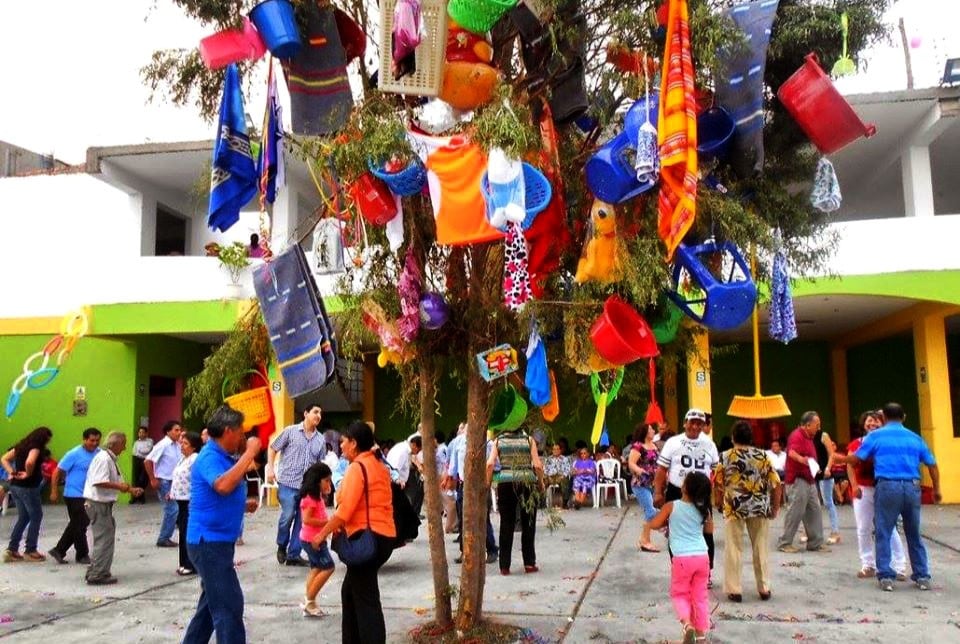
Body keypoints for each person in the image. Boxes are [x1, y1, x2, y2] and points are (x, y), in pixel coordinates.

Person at [310, 421, 396, 644]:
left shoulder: (358, 468)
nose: (340, 446)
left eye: (344, 442)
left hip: (366, 539)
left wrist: (321, 535)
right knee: (350, 592)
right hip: (382, 538)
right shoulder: (378, 466)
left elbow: (344, 512)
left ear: (354, 443)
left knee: (366, 601)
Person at [183, 406, 261, 643]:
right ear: (228, 431)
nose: (242, 438)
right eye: (240, 432)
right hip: (208, 543)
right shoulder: (209, 456)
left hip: (218, 543)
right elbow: (223, 485)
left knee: (209, 607)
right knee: (229, 606)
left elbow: (222, 492)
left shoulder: (224, 457)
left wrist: (241, 504)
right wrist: (250, 453)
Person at [846, 402, 941, 592]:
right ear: (903, 417)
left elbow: (856, 460)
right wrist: (937, 488)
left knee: (883, 531)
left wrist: (836, 456)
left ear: (884, 419)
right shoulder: (915, 438)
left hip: (887, 486)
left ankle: (886, 577)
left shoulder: (876, 437)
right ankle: (922, 576)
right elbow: (932, 465)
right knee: (913, 532)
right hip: (912, 487)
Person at [714, 421, 781, 603]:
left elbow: (717, 482)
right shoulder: (763, 456)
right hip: (759, 506)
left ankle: (734, 589)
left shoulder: (725, 456)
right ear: (751, 437)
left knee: (733, 547)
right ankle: (764, 587)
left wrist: (719, 502)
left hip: (734, 506)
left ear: (733, 437)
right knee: (760, 547)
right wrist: (775, 507)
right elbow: (776, 484)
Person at [654, 409, 720, 585]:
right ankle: (679, 568)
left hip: (701, 494)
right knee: (675, 532)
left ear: (703, 425)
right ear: (685, 423)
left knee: (706, 533)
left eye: (699, 423)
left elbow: (716, 470)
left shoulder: (709, 444)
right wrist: (658, 492)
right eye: (692, 422)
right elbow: (662, 469)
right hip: (677, 491)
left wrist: (718, 493)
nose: (695, 426)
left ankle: (706, 572)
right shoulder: (673, 442)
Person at [649, 471, 713, 644]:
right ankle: (700, 635)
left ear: (684, 488)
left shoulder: (672, 506)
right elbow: (709, 532)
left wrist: (664, 520)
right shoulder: (704, 509)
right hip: (702, 556)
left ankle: (687, 626)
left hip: (682, 559)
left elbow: (654, 524)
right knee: (700, 596)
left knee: (680, 594)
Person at [846, 411, 907, 580]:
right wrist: (854, 485)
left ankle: (900, 566)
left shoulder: (889, 444)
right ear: (863, 424)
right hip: (863, 489)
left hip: (884, 488)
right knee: (863, 528)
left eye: (877, 421)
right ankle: (868, 565)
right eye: (869, 421)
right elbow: (850, 466)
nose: (872, 424)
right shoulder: (856, 444)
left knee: (890, 527)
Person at [267, 404, 326, 566]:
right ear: (306, 413)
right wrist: (271, 469)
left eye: (320, 413)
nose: (318, 415)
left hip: (308, 487)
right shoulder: (290, 431)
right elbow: (273, 448)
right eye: (315, 412)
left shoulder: (320, 440)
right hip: (287, 483)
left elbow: (320, 464)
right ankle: (281, 545)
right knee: (288, 515)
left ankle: (293, 554)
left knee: (302, 520)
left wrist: (321, 487)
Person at [83, 432, 144, 584]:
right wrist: (120, 486)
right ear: (115, 444)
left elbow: (112, 480)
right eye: (123, 444)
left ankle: (96, 569)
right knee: (104, 539)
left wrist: (129, 489)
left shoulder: (108, 458)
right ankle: (98, 573)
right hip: (98, 503)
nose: (124, 448)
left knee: (104, 537)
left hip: (102, 503)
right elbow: (99, 481)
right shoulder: (103, 459)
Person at [486, 427, 544, 575]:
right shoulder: (529, 440)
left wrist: (487, 483)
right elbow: (537, 465)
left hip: (505, 483)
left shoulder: (498, 441)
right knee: (528, 523)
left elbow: (490, 464)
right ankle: (529, 563)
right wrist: (541, 483)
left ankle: (504, 566)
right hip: (527, 482)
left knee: (506, 523)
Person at [777, 411, 830, 553]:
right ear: (807, 425)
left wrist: (814, 466)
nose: (819, 428)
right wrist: (803, 460)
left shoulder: (809, 437)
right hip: (797, 480)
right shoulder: (797, 435)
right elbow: (792, 452)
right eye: (817, 425)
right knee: (796, 510)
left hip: (809, 479)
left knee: (814, 509)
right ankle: (785, 542)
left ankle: (815, 542)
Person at [48, 428, 102, 565]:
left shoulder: (99, 454)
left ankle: (59, 550)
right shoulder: (74, 454)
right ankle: (82, 554)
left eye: (97, 440)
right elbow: (57, 472)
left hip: (89, 494)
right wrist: (54, 491)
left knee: (78, 523)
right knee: (81, 522)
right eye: (91, 440)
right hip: (73, 494)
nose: (95, 443)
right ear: (84, 440)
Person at [446, 423, 498, 564]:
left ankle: (491, 549)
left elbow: (495, 465)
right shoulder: (458, 442)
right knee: (464, 519)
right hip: (463, 485)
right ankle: (465, 551)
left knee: (483, 518)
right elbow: (453, 467)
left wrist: (487, 481)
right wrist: (451, 480)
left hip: (481, 485)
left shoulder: (487, 442)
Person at [2, 427, 53, 562]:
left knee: (23, 517)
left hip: (15, 486)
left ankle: (12, 549)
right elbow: (30, 462)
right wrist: (28, 473)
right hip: (29, 487)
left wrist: (11, 472)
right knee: (36, 516)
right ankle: (31, 549)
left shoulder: (20, 446)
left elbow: (4, 459)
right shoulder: (36, 447)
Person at [299, 462, 336, 618]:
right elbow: (306, 520)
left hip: (312, 538)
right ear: (317, 480)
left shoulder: (317, 497)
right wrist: (327, 523)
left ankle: (310, 600)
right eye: (326, 480)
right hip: (312, 539)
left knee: (316, 568)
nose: (329, 483)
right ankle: (309, 600)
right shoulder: (310, 498)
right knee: (328, 567)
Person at [145, 420, 183, 548]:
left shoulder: (177, 445)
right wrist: (153, 479)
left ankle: (166, 536)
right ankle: (164, 538)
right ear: (168, 431)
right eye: (176, 430)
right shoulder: (163, 445)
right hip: (164, 481)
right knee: (172, 509)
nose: (179, 432)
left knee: (174, 509)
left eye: (179, 430)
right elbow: (148, 461)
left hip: (174, 482)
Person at [171, 431, 203, 576]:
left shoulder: (195, 459)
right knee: (182, 532)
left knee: (188, 533)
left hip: (190, 500)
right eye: (181, 443)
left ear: (194, 446)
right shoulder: (183, 459)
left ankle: (191, 563)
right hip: (181, 500)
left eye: (185, 443)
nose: (182, 446)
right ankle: (183, 562)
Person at [627, 423, 660, 552]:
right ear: (645, 432)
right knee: (651, 511)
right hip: (640, 484)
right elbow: (631, 463)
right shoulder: (638, 446)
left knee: (650, 511)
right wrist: (640, 471)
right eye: (651, 429)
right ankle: (645, 539)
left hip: (653, 483)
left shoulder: (654, 446)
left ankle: (645, 540)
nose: (653, 430)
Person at [813, 425, 841, 544]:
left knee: (828, 502)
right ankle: (809, 531)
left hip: (825, 473)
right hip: (813, 472)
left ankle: (835, 532)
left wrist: (828, 468)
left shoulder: (823, 435)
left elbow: (832, 454)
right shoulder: (807, 437)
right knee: (810, 504)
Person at [543, 443, 573, 509]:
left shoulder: (565, 459)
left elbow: (568, 470)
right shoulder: (548, 459)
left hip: (560, 476)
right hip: (550, 476)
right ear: (552, 450)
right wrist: (548, 476)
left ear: (560, 450)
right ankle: (543, 503)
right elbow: (545, 469)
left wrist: (563, 476)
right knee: (543, 481)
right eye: (554, 449)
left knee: (566, 481)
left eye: (557, 449)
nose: (555, 451)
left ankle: (565, 503)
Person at [131, 426, 153, 504]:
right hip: (137, 460)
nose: (141, 434)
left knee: (143, 479)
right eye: (139, 432)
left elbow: (147, 451)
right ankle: (136, 497)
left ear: (146, 433)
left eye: (143, 432)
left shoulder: (149, 441)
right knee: (137, 479)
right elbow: (134, 452)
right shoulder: (136, 442)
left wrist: (139, 450)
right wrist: (139, 452)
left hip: (146, 460)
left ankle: (140, 496)